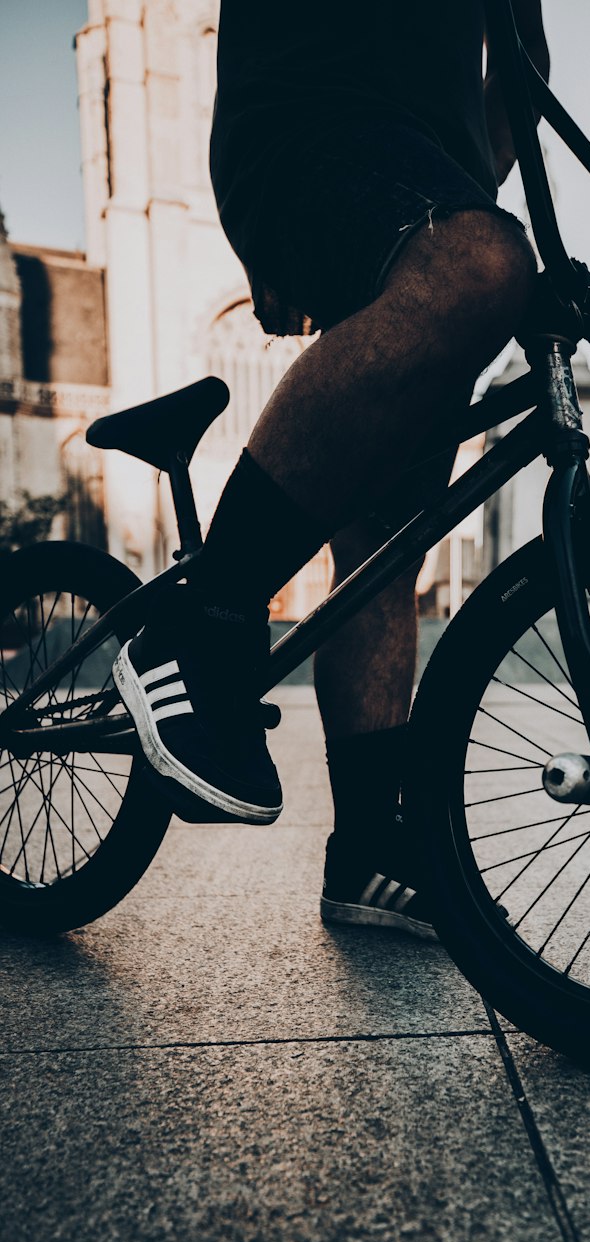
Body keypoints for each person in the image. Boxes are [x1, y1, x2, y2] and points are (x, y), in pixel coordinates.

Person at [114, 2, 549, 940]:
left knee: (387, 542)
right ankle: (201, 624)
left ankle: (367, 853)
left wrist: (469, 192)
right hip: (309, 119)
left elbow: (521, 63)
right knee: (481, 264)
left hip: (423, 164)